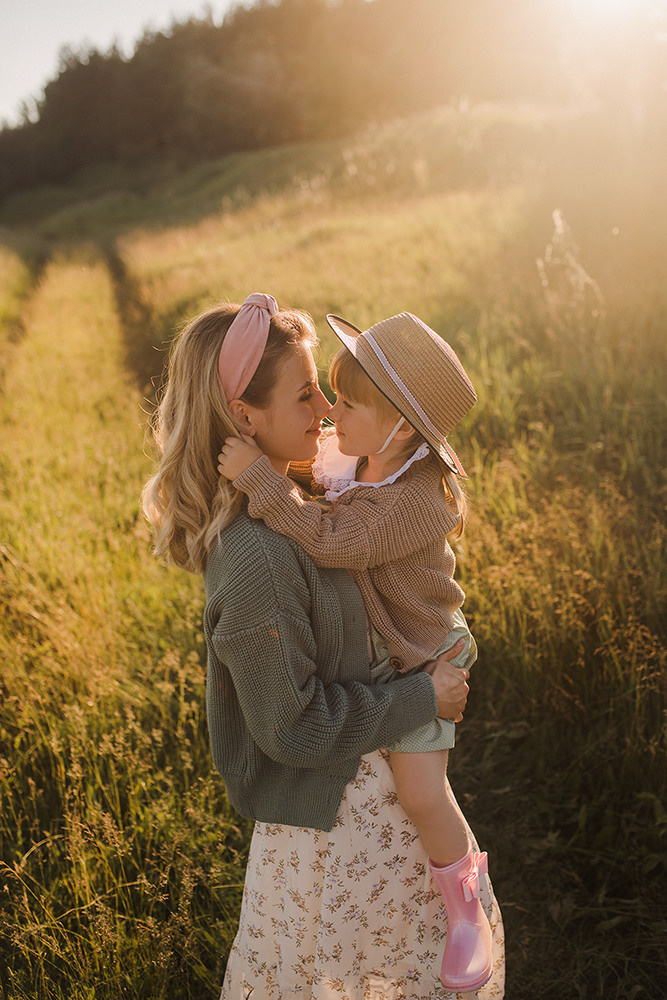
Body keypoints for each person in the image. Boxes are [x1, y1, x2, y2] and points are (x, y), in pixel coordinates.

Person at [142, 293, 504, 999]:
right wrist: (419, 697)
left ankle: (461, 902)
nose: (326, 413)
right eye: (307, 394)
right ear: (245, 418)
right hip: (337, 835)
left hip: (374, 810)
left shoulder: (326, 487)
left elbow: (348, 530)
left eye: (328, 392)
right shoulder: (258, 558)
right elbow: (293, 728)